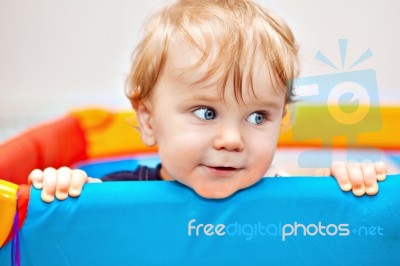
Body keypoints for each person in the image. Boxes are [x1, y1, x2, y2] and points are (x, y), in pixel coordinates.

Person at [28, 0, 387, 202]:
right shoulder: (115, 194)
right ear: (149, 120)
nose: (232, 140)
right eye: (206, 112)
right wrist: (65, 190)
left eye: (259, 117)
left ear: (283, 120)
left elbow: (328, 225)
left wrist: (347, 183)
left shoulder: (287, 194)